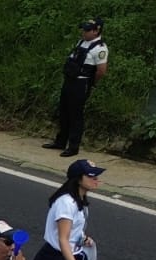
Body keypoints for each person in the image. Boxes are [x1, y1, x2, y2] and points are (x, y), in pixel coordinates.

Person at [45, 18, 108, 158]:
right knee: (64, 112)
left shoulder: (100, 48)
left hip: (81, 83)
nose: (83, 32)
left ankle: (73, 147)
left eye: (87, 30)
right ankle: (60, 141)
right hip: (69, 81)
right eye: (83, 29)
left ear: (96, 31)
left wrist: (91, 83)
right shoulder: (82, 42)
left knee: (76, 116)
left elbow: (101, 71)